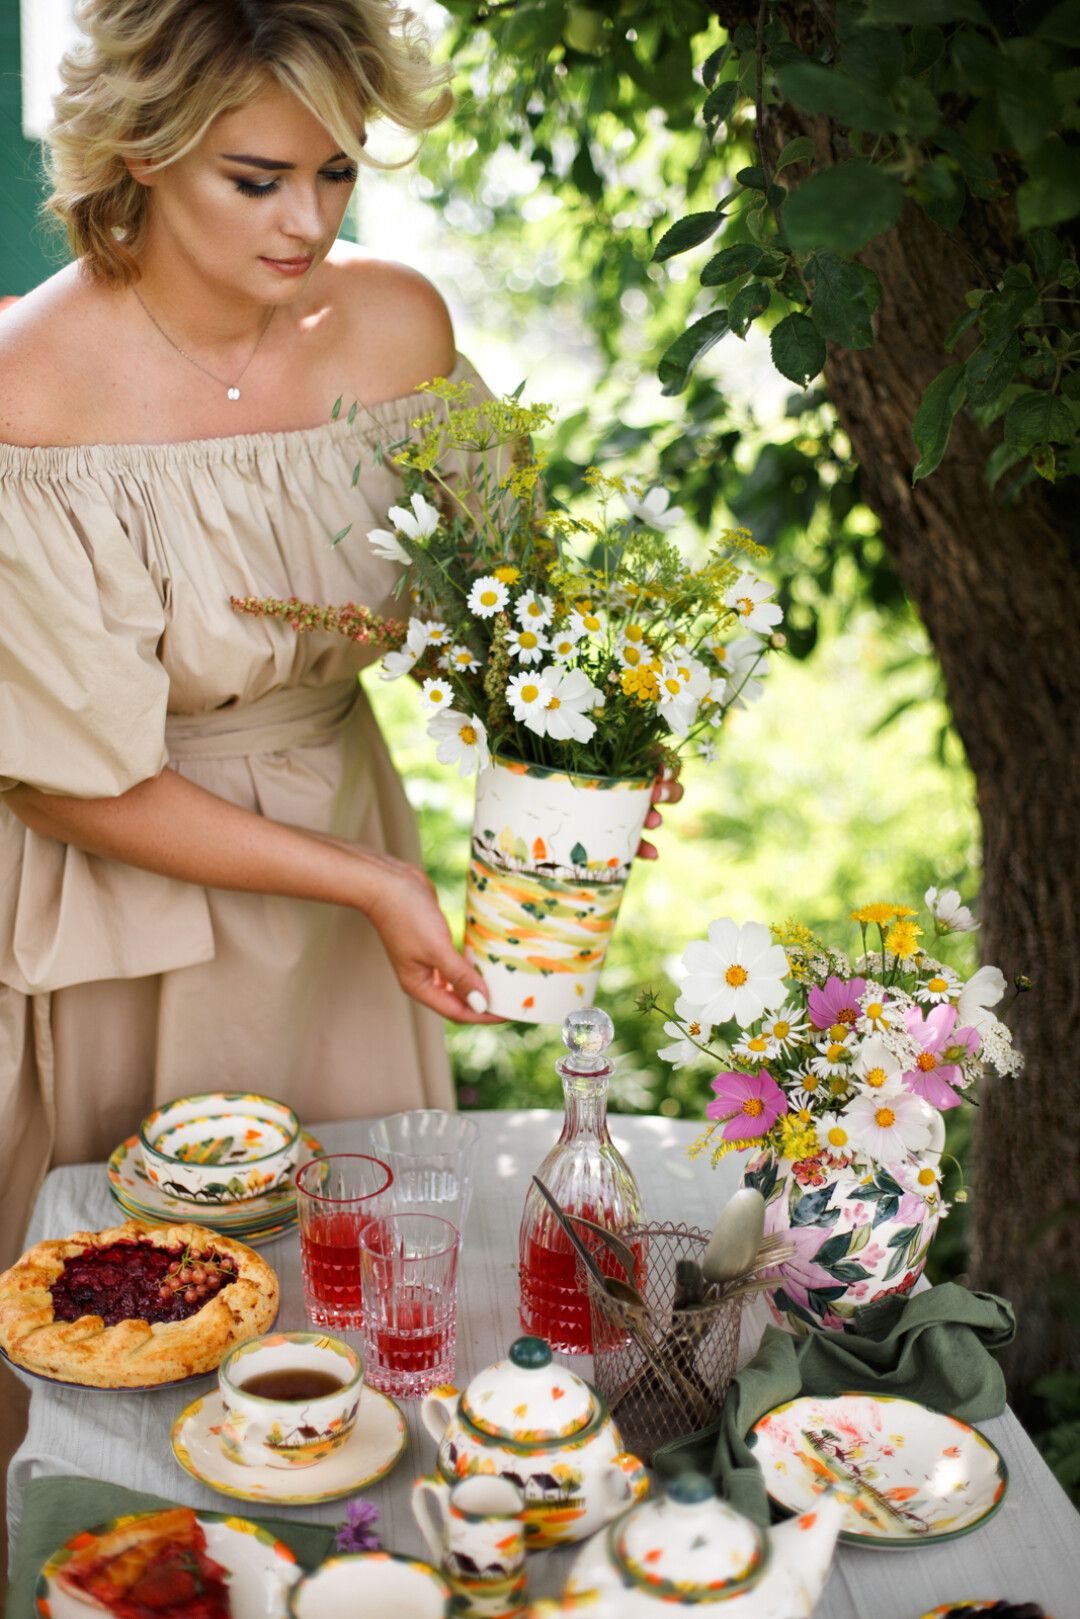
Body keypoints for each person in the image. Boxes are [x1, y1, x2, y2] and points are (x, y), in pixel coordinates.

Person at [0, 0, 679, 1272]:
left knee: (367, 1256)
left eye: (336, 172)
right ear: (143, 150)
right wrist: (372, 883)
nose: (308, 222)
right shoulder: (26, 386)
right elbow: (58, 781)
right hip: (124, 898)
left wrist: (581, 760)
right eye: (257, 180)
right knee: (137, 1281)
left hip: (346, 836)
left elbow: (506, 611)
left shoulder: (397, 326)